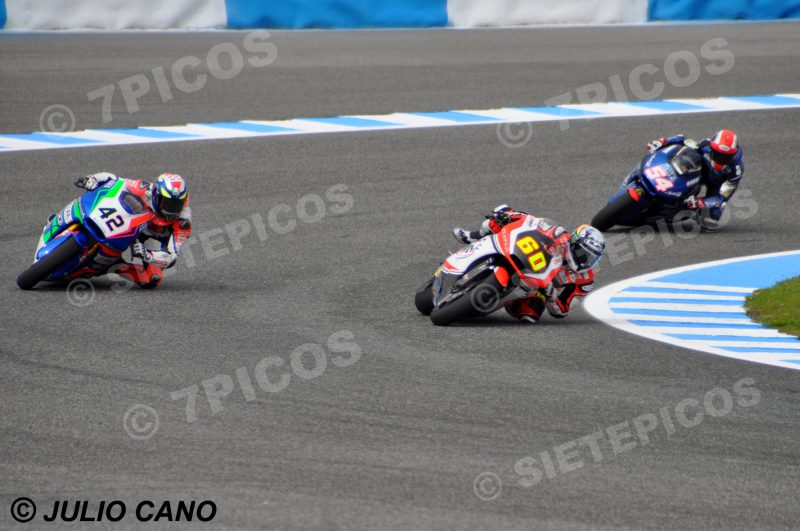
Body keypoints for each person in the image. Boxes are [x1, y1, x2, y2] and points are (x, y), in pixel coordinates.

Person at [453, 205, 605, 323]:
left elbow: (562, 311)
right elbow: (533, 222)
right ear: (573, 242)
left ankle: (494, 302)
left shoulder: (585, 282)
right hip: (524, 257)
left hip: (535, 288)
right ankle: (473, 237)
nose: (584, 260)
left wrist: (551, 296)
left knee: (530, 314)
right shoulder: (559, 235)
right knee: (497, 222)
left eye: (590, 257)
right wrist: (508, 214)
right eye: (582, 253)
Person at [73, 172, 192, 288]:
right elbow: (116, 180)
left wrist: (148, 255)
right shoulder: (145, 189)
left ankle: (113, 266)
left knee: (151, 278)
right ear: (156, 194)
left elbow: (172, 256)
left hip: (153, 240)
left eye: (176, 204)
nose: (170, 210)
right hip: (133, 221)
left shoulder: (183, 223)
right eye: (166, 203)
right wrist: (93, 179)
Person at [645, 129, 743, 230]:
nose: (720, 159)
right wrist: (663, 141)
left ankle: (678, 212)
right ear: (712, 148)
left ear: (733, 154)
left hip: (716, 185)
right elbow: (683, 140)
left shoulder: (736, 170)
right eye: (718, 154)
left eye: (725, 157)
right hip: (702, 174)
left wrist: (703, 201)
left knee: (711, 218)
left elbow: (723, 195)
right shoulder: (705, 145)